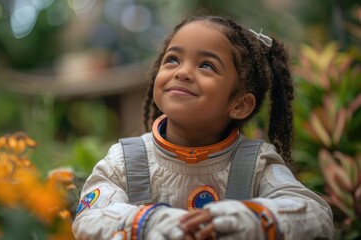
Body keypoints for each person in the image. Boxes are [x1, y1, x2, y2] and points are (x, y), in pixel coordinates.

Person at [72, 14, 334, 240]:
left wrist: (250, 218)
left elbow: (316, 215)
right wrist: (150, 221)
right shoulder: (125, 161)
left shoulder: (254, 164)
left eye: (206, 65)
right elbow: (88, 218)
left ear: (240, 105)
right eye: (172, 59)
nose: (182, 72)